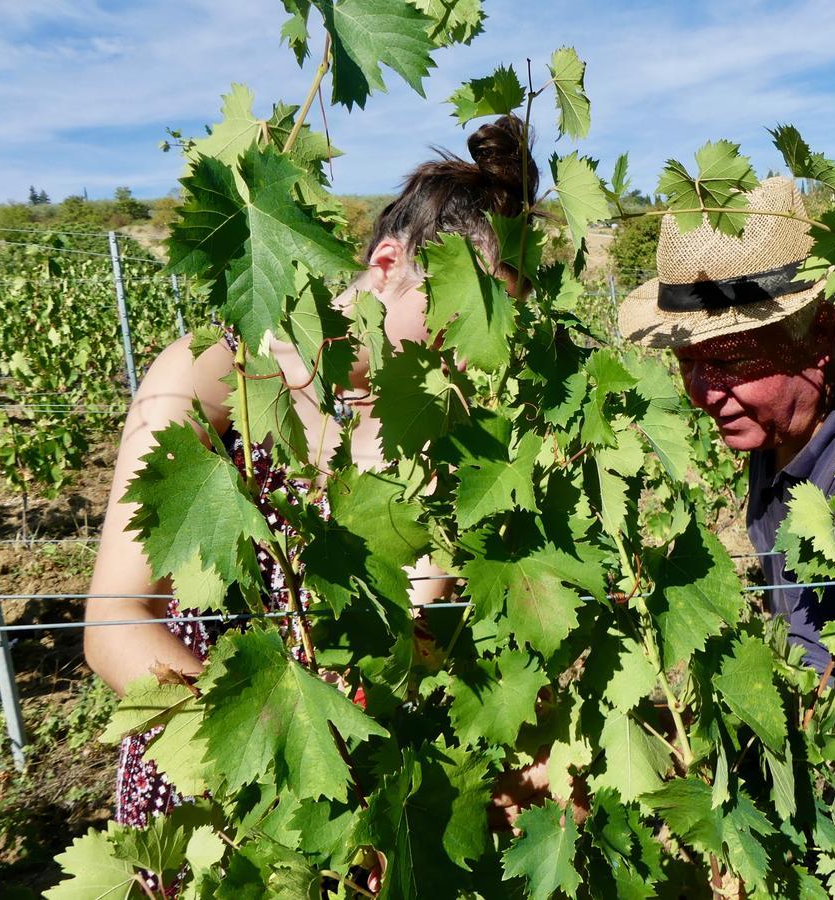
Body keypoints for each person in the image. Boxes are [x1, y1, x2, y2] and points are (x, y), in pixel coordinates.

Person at [84, 115, 539, 830]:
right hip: (211, 780)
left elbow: (409, 630)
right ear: (387, 265)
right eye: (461, 311)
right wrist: (274, 754)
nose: (475, 351)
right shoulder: (214, 371)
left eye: (498, 325)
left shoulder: (435, 422)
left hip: (355, 796)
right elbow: (114, 628)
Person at [617, 177, 835, 888]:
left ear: (818, 330)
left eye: (732, 361)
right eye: (689, 363)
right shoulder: (786, 413)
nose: (707, 394)